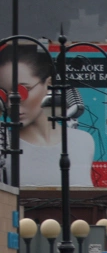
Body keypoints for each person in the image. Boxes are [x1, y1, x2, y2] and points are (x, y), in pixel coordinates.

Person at [0, 44, 96, 187]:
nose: (11, 103)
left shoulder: (83, 142)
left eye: (22, 91)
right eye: (2, 94)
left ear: (49, 84)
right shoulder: (3, 147)